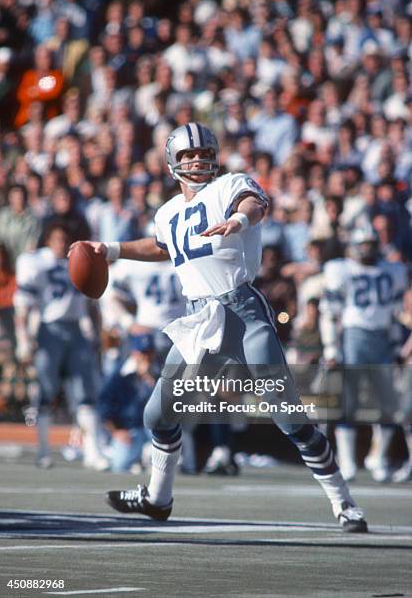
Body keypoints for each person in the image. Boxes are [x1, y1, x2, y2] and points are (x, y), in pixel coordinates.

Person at [70, 123, 367, 532]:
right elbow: (163, 246)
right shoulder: (168, 211)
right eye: (188, 155)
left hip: (242, 313)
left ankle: (344, 502)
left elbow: (253, 204)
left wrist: (239, 223)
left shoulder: (231, 185)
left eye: (202, 153)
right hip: (199, 320)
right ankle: (158, 499)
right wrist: (114, 250)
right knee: (157, 415)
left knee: (289, 416)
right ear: (173, 162)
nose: (196, 160)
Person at [14, 223, 106, 470]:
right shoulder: (36, 262)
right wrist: (23, 337)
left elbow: (91, 302)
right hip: (49, 330)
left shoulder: (75, 260)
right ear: (48, 240)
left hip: (75, 329)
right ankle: (43, 450)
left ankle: (91, 451)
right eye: (56, 239)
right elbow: (23, 302)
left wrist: (95, 332)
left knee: (85, 391)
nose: (61, 244)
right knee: (46, 390)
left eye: (64, 239)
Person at [320, 227, 407, 482]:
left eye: (371, 243)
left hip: (381, 338)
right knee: (349, 401)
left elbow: (394, 312)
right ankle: (347, 461)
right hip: (354, 336)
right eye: (363, 243)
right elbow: (330, 313)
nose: (368, 248)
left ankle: (378, 458)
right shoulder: (341, 269)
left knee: (388, 404)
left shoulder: (392, 270)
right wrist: (331, 347)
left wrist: (395, 345)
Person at [99, 332, 156, 473]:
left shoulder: (160, 372)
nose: (146, 357)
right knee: (119, 465)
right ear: (134, 353)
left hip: (154, 432)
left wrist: (149, 379)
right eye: (143, 353)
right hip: (129, 431)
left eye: (149, 353)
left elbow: (166, 405)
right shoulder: (120, 374)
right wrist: (116, 431)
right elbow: (104, 406)